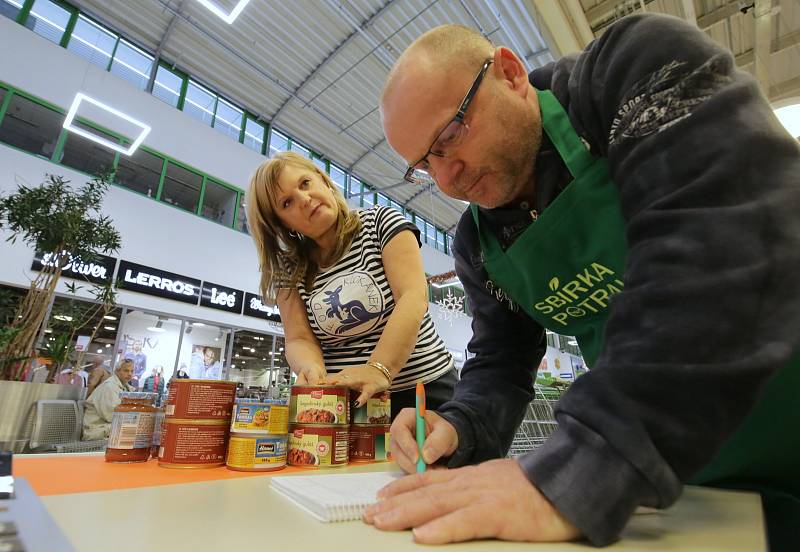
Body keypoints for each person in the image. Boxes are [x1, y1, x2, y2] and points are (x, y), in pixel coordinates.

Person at [374, 15, 800, 550]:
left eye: (450, 135)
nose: (446, 177)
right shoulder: (479, 246)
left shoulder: (629, 74)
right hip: (685, 483)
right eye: (424, 164)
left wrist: (586, 465)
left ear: (509, 73)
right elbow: (500, 363)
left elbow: (724, 241)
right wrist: (456, 426)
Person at [246, 151, 456, 417]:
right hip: (351, 404)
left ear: (323, 180)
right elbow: (298, 338)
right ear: (282, 224)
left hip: (426, 392)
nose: (304, 199)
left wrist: (379, 368)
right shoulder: (289, 270)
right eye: (287, 203)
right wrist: (309, 367)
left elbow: (412, 297)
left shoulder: (381, 223)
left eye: (305, 183)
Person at [81, 359, 135, 440]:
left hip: (107, 428)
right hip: (96, 430)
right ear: (117, 371)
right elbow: (111, 416)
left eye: (132, 371)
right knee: (133, 430)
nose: (130, 374)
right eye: (126, 371)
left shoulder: (125, 387)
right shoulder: (109, 387)